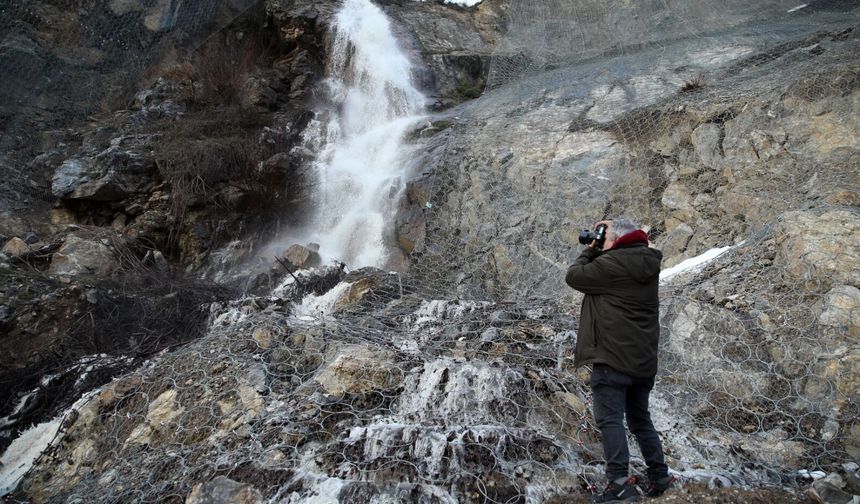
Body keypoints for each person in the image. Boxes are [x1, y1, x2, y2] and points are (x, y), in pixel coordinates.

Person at [565, 218, 672, 502]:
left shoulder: (612, 264)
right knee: (640, 420)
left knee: (610, 420)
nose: (600, 238)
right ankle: (660, 476)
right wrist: (604, 243)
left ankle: (619, 485)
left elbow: (575, 276)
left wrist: (590, 249)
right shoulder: (646, 261)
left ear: (618, 239)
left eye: (604, 234)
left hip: (612, 360)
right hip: (643, 362)